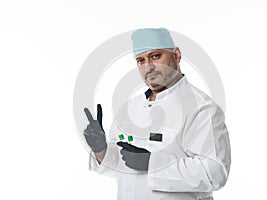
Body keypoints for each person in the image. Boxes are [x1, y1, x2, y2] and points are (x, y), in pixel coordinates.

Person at [83, 28, 231, 200]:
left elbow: (215, 173)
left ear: (176, 55)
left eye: (155, 56)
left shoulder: (201, 108)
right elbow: (121, 167)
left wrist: (152, 164)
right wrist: (101, 150)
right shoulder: (129, 109)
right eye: (140, 60)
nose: (148, 67)